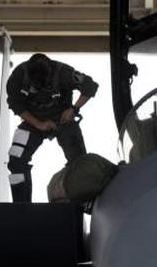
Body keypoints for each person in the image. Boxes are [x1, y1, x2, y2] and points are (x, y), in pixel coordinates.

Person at [5, 53, 98, 203]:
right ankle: (21, 207)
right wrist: (39, 124)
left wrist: (73, 109)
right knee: (16, 160)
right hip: (32, 122)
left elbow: (90, 86)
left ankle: (81, 203)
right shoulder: (18, 77)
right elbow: (15, 104)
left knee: (80, 164)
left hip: (63, 120)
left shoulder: (64, 72)